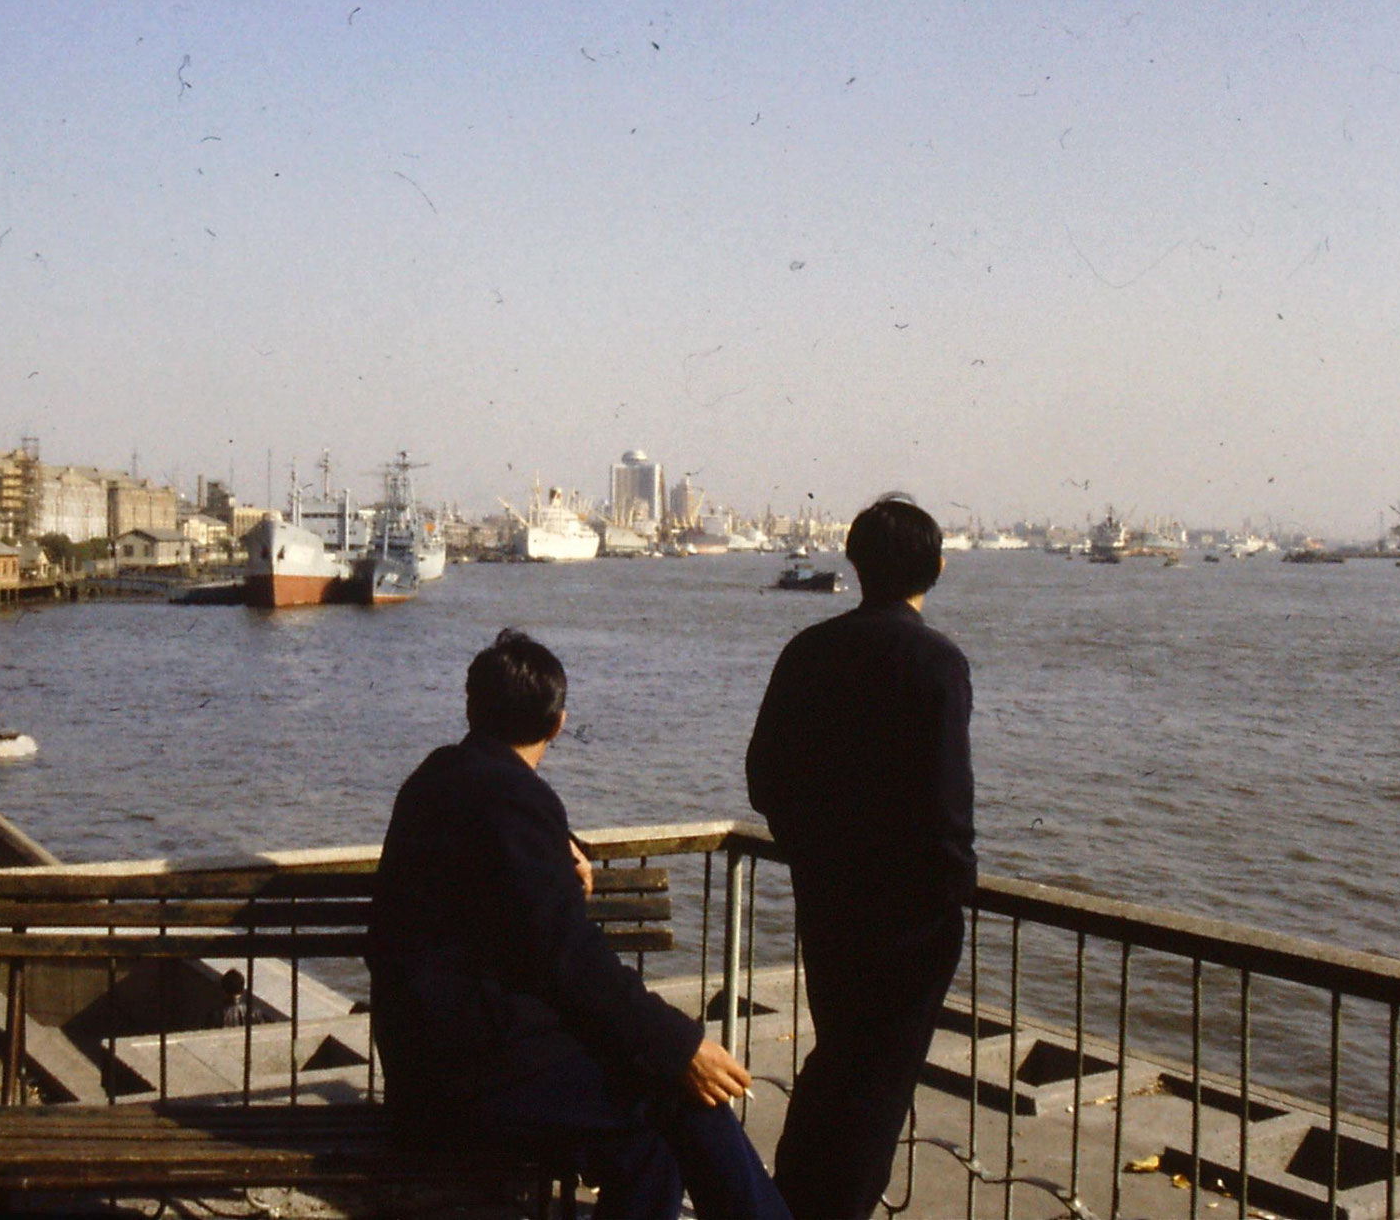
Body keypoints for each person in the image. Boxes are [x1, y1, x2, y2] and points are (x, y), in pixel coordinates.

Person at [370, 630, 789, 1220]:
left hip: (426, 1069)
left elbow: (501, 892)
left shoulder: (434, 779)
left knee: (648, 1148)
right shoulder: (518, 799)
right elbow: (569, 957)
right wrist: (680, 1044)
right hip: (472, 1079)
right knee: (680, 1093)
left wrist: (560, 862)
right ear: (558, 724)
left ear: (471, 708)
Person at [746, 496, 976, 1219]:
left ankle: (791, 1200)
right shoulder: (937, 662)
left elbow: (764, 777)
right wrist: (952, 888)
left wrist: (811, 846)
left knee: (837, 1060)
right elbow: (947, 799)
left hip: (830, 897)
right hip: (910, 914)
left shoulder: (807, 651)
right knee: (879, 1082)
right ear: (936, 569)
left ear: (854, 561)